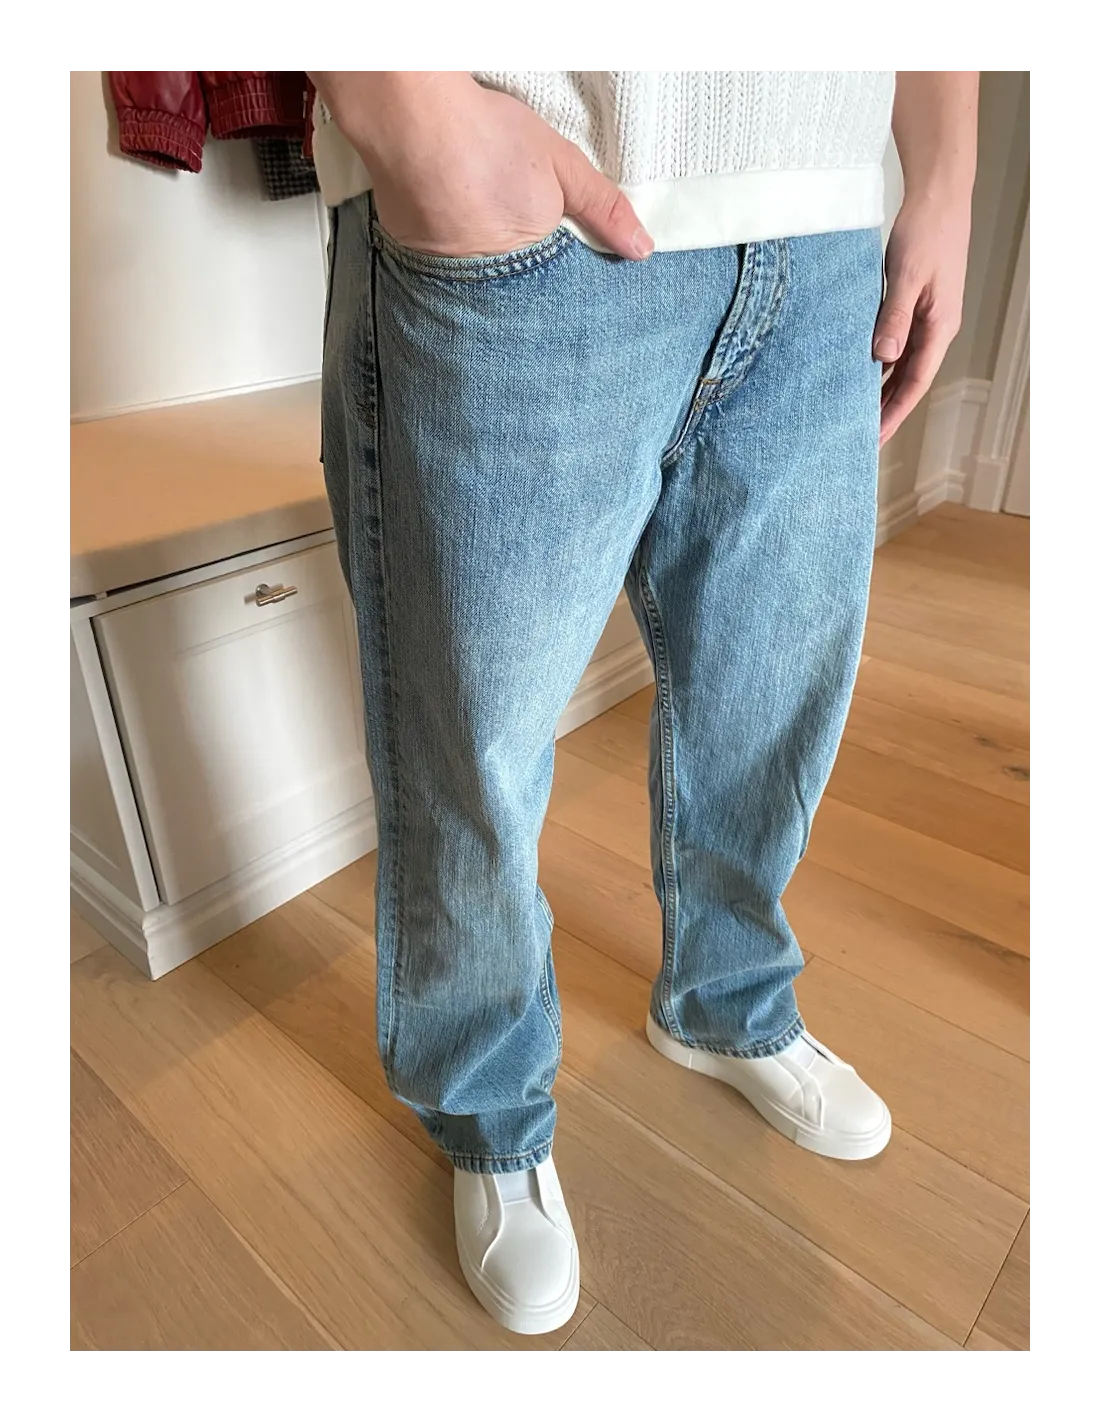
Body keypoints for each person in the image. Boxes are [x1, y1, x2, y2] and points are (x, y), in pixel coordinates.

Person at [307, 64, 978, 1336]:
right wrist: (406, 109)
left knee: (769, 693)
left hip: (826, 223)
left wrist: (942, 180)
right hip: (538, 204)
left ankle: (726, 1001)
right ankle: (485, 1103)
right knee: (472, 730)